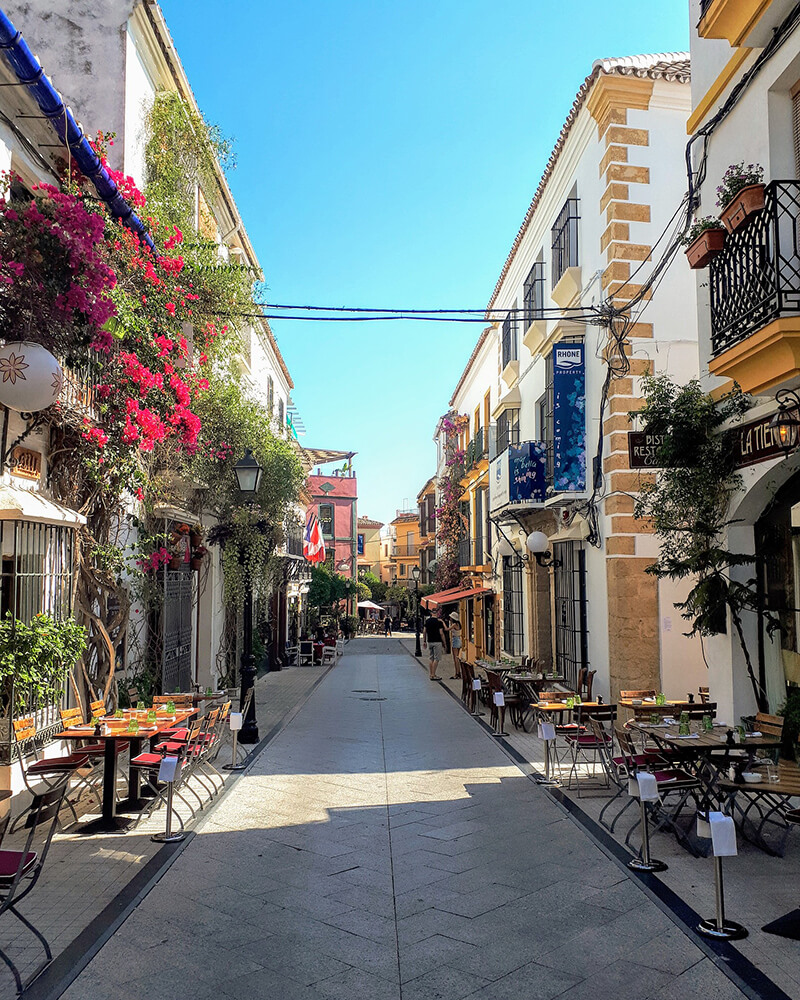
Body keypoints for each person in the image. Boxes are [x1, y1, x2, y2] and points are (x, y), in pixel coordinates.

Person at [422, 611, 448, 681]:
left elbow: (424, 631)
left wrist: (424, 641)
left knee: (431, 658)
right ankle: (433, 675)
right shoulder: (438, 622)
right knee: (437, 659)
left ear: (431, 613)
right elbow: (441, 633)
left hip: (430, 641)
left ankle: (431, 674)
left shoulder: (427, 621)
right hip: (437, 641)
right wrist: (444, 643)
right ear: (437, 614)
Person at [448, 611, 463, 680]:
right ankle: (458, 672)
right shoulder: (459, 624)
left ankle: (457, 673)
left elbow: (447, 629)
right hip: (459, 639)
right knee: (457, 657)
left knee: (455, 658)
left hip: (455, 640)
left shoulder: (454, 624)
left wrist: (442, 623)